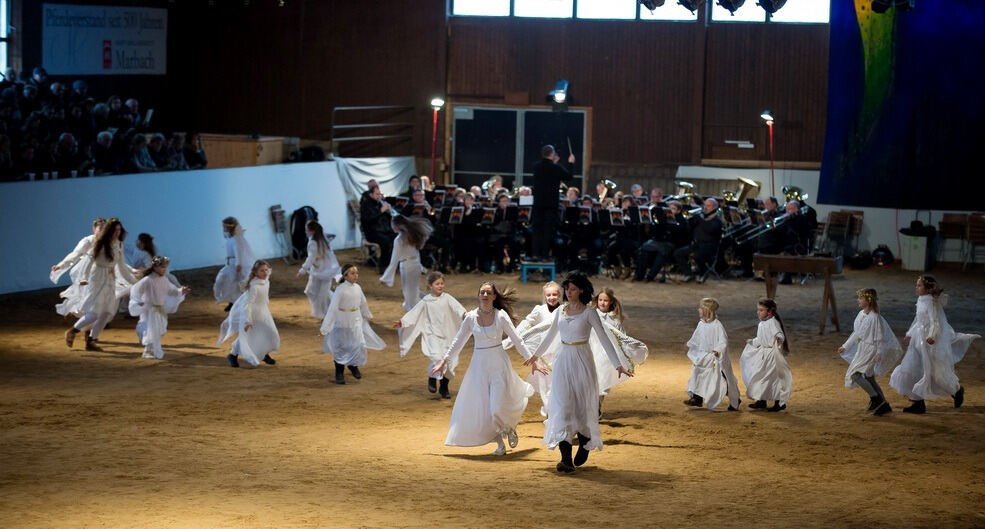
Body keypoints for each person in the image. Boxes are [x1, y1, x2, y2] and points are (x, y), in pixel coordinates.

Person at [523, 274, 633, 473]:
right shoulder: (561, 311)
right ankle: (566, 460)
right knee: (563, 406)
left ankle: (585, 441)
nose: (568, 292)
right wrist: (535, 355)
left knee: (581, 407)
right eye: (567, 289)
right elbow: (550, 336)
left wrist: (618, 364)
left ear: (581, 290)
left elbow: (605, 339)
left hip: (583, 361)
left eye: (572, 289)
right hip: (564, 361)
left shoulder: (589, 313)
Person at [431, 282, 547, 456]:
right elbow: (458, 341)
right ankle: (500, 443)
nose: (484, 295)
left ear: (494, 296)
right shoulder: (470, 317)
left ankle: (508, 427)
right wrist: (444, 361)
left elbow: (517, 340)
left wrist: (532, 361)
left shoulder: (501, 316)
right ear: (478, 296)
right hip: (478, 368)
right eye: (482, 292)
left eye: (488, 293)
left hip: (499, 366)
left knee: (496, 409)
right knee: (485, 410)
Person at [889, 276, 980, 414]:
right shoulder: (920, 300)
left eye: (919, 285)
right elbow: (918, 320)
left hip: (928, 343)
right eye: (916, 285)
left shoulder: (931, 302)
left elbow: (935, 322)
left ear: (927, 288)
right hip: (917, 342)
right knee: (912, 368)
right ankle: (918, 403)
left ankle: (956, 391)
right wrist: (910, 332)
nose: (916, 287)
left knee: (936, 373)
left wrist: (932, 335)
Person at [64, 218, 139, 352]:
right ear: (109, 230)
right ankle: (72, 331)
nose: (118, 232)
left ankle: (91, 341)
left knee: (107, 313)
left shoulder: (119, 244)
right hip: (97, 277)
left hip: (110, 278)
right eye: (115, 230)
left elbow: (121, 266)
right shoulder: (100, 244)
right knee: (94, 313)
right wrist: (83, 277)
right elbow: (88, 261)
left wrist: (135, 282)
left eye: (119, 230)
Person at [395, 271, 467, 398]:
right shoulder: (426, 301)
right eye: (437, 284)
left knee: (450, 362)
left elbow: (458, 308)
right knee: (437, 358)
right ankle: (432, 378)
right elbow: (414, 313)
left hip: (448, 334)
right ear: (430, 286)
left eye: (442, 283)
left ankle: (444, 386)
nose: (440, 286)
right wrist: (403, 322)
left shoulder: (447, 298)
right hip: (432, 335)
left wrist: (465, 315)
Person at [837, 288, 902, 416]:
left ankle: (875, 398)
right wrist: (846, 345)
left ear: (869, 300)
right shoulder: (861, 314)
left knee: (856, 374)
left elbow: (879, 338)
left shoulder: (875, 318)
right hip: (863, 349)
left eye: (861, 298)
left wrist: (879, 353)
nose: (858, 300)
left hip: (871, 350)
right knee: (868, 377)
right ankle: (883, 404)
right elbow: (857, 333)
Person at [320, 264, 386, 384]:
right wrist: (326, 325)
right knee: (341, 346)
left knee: (358, 344)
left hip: (355, 319)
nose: (356, 275)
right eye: (352, 273)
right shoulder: (340, 290)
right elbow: (333, 308)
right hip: (342, 321)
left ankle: (353, 365)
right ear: (345, 276)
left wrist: (367, 314)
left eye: (357, 273)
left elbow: (363, 303)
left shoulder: (358, 288)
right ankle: (339, 372)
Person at [218, 260, 279, 368]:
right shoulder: (254, 286)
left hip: (263, 311)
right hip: (252, 314)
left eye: (266, 270)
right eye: (262, 271)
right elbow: (248, 305)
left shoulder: (266, 280)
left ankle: (263, 353)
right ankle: (233, 355)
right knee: (248, 336)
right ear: (255, 273)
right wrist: (248, 320)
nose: (265, 273)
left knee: (269, 332)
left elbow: (267, 275)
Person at [683, 298, 741, 411]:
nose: (698, 310)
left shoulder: (717, 325)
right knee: (697, 373)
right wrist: (689, 344)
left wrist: (718, 350)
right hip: (702, 356)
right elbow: (696, 338)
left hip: (715, 357)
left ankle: (734, 399)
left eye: (700, 308)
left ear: (707, 310)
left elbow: (723, 341)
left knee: (721, 379)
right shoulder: (701, 324)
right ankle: (697, 398)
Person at [128, 256, 191, 359]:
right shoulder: (147, 280)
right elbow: (136, 290)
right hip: (149, 309)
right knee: (153, 329)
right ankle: (147, 351)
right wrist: (138, 302)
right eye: (162, 267)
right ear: (155, 267)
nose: (164, 269)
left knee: (160, 329)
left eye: (165, 267)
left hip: (160, 309)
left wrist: (181, 291)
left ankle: (142, 333)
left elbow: (172, 291)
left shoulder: (164, 279)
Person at [739, 298, 792, 412]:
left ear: (769, 312)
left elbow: (779, 334)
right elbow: (762, 338)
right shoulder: (762, 324)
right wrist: (753, 341)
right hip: (763, 354)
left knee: (773, 379)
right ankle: (761, 401)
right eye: (758, 310)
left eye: (761, 310)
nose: (758, 312)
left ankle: (779, 402)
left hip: (771, 355)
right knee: (760, 376)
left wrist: (779, 339)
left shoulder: (773, 322)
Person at [51, 218, 106, 319]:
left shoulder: (108, 243)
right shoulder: (88, 241)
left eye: (104, 229)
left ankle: (96, 318)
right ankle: (83, 317)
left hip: (101, 271)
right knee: (87, 296)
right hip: (85, 272)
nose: (102, 232)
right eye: (100, 229)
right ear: (94, 229)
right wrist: (61, 264)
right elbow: (75, 254)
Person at [530, 144, 574, 261]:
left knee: (537, 230)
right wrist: (570, 163)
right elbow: (569, 176)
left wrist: (554, 161)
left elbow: (546, 167)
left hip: (538, 203)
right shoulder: (556, 168)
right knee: (547, 231)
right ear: (552, 154)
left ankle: (535, 254)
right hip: (551, 204)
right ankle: (545, 255)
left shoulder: (536, 167)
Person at [381, 214, 433, 312]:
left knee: (409, 294)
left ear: (396, 225)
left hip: (407, 267)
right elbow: (417, 252)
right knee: (413, 290)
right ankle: (429, 304)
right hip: (415, 265)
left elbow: (394, 260)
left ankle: (423, 311)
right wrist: (420, 265)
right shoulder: (412, 235)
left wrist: (386, 277)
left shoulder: (399, 239)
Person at [296, 220, 341, 319]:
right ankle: (329, 308)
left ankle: (323, 311)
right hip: (324, 269)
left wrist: (302, 270)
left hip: (321, 270)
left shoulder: (313, 242)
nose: (305, 232)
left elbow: (311, 258)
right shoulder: (322, 239)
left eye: (307, 230)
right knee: (317, 291)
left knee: (317, 292)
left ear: (312, 231)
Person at [673, 198, 723, 283]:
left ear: (714, 207)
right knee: (678, 253)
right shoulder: (701, 216)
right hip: (696, 244)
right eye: (705, 205)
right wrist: (689, 220)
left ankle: (702, 273)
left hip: (709, 246)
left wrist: (699, 218)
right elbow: (690, 228)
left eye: (708, 206)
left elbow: (710, 229)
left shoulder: (717, 220)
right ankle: (688, 273)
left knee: (698, 255)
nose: (705, 207)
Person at [213, 217, 256, 312]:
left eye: (225, 227)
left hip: (235, 265)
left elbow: (239, 251)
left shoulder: (237, 239)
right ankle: (232, 302)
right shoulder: (232, 239)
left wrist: (239, 264)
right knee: (229, 284)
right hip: (230, 264)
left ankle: (239, 304)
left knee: (236, 284)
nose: (223, 229)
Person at [359, 186, 396, 273]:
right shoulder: (365, 205)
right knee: (386, 242)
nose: (379, 196)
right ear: (371, 194)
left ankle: (392, 264)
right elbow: (369, 220)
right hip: (372, 233)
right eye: (377, 194)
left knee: (397, 238)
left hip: (383, 231)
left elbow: (388, 219)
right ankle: (383, 266)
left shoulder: (380, 203)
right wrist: (381, 211)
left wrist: (389, 211)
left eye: (380, 194)